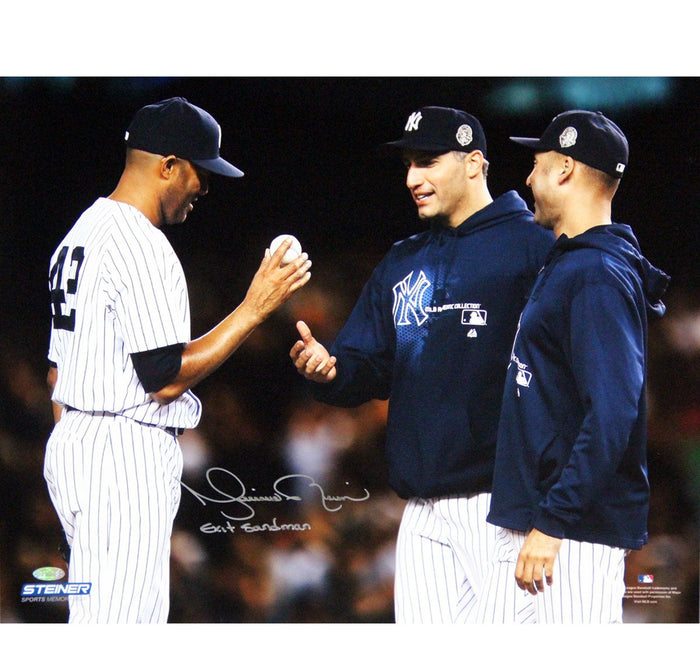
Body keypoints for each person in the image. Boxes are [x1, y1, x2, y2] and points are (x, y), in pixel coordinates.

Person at [44, 97, 312, 623]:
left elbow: (57, 373)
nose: (205, 188)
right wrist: (254, 307)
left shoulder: (78, 235)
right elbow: (163, 379)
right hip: (122, 452)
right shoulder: (141, 242)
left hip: (73, 444)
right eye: (200, 172)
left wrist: (74, 466)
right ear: (167, 165)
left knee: (99, 621)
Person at [290, 106, 554, 623]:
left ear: (475, 163)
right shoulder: (403, 259)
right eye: (409, 164)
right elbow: (368, 364)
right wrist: (331, 369)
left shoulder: (533, 247)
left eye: (429, 162)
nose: (413, 178)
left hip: (503, 507)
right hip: (421, 512)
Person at [481, 110, 670, 623]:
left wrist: (553, 522)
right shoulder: (575, 262)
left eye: (537, 164)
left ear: (564, 169)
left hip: (569, 537)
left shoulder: (596, 274)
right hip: (544, 524)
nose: (528, 177)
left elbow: (611, 414)